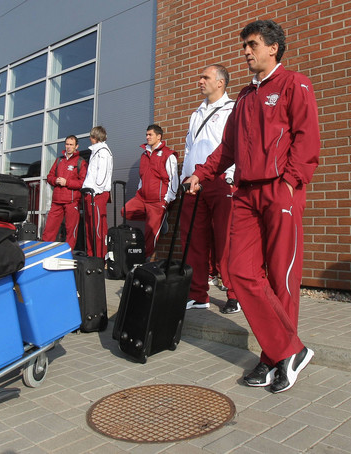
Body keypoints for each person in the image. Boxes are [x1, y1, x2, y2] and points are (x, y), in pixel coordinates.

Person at [184, 20, 320, 393]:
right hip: (244, 194)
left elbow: (307, 140)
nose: (246, 51)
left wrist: (291, 183)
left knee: (281, 279)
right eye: (245, 45)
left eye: (253, 44)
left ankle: (271, 356)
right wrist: (202, 172)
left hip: (280, 191)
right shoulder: (244, 97)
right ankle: (290, 350)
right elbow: (227, 149)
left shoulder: (295, 84)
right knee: (239, 271)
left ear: (273, 48)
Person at [180, 64, 239, 313]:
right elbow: (188, 148)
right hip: (194, 183)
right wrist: (185, 178)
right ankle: (198, 295)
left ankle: (235, 295)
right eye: (200, 76)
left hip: (221, 180)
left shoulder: (232, 109)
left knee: (226, 240)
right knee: (193, 240)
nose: (200, 80)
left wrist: (232, 176)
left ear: (220, 83)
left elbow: (236, 144)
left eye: (205, 77)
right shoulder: (196, 113)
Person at [122, 124, 178, 260]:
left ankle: (147, 261)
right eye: (146, 134)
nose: (147, 137)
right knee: (126, 211)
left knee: (150, 234)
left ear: (159, 137)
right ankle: (158, 219)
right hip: (142, 198)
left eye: (150, 135)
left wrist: (167, 200)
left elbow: (174, 179)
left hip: (158, 201)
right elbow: (143, 176)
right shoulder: (144, 155)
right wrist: (139, 191)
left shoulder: (168, 155)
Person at [42, 135, 88, 250]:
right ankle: (43, 251)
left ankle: (68, 253)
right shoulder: (59, 160)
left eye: (71, 145)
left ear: (76, 146)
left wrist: (67, 182)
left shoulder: (81, 162)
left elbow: (83, 182)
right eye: (67, 144)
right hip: (57, 200)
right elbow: (49, 176)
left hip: (72, 202)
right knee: (49, 229)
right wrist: (55, 180)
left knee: (71, 230)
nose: (68, 147)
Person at [81, 126, 113, 259]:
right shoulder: (96, 151)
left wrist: (96, 191)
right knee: (90, 227)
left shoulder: (103, 152)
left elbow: (103, 174)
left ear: (96, 137)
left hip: (97, 195)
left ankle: (99, 257)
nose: (90, 138)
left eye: (92, 136)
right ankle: (91, 255)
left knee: (98, 227)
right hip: (91, 194)